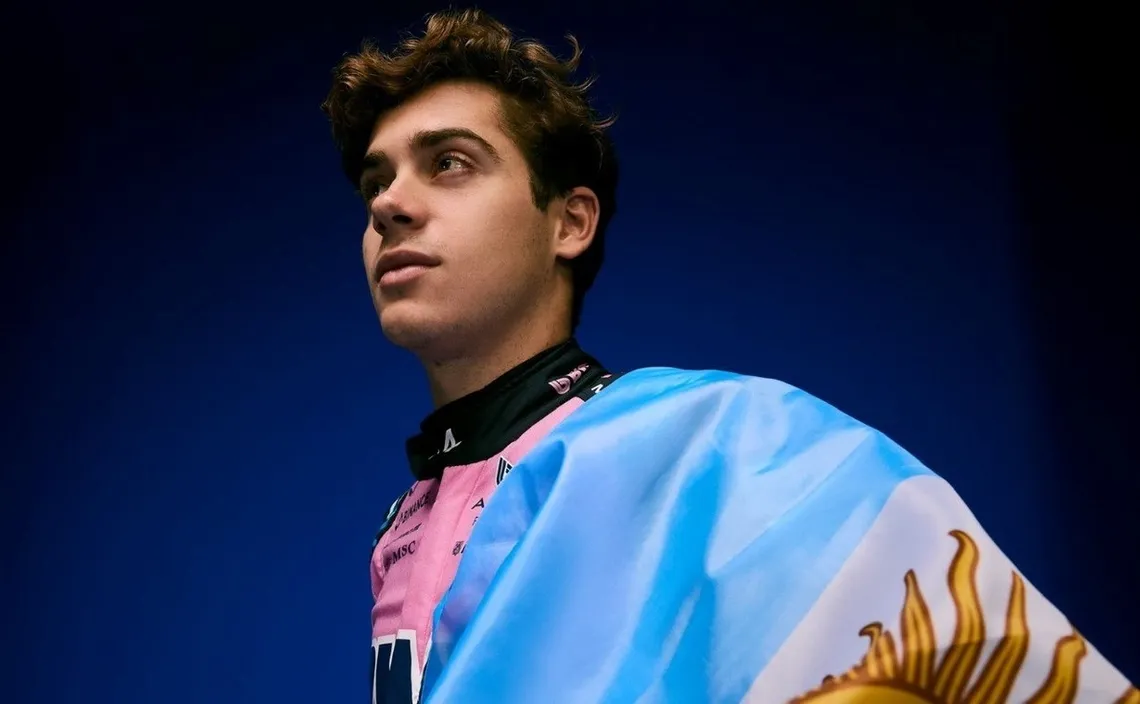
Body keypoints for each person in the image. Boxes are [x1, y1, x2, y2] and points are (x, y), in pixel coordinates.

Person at [322, 9, 1137, 704]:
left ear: (569, 223)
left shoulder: (727, 442)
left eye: (450, 163)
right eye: (374, 184)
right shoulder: (399, 530)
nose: (390, 204)